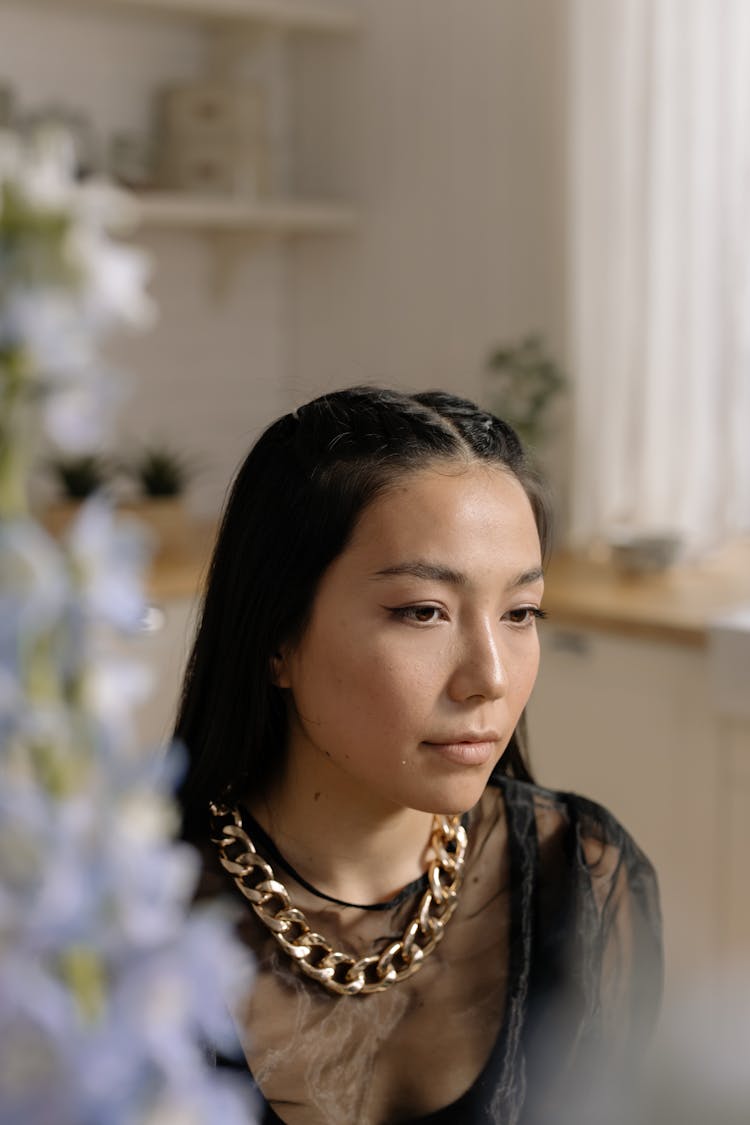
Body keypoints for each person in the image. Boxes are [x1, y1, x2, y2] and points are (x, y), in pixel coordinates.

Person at [175, 386, 663, 1125]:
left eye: (520, 613)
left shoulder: (581, 879)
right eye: (422, 611)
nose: (491, 677)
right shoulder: (130, 910)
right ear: (275, 636)